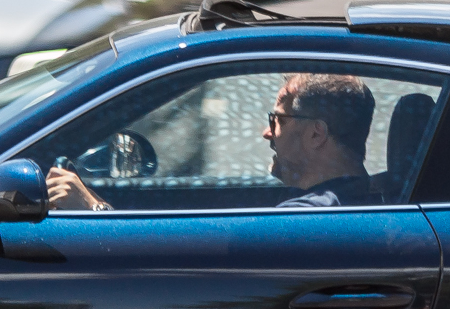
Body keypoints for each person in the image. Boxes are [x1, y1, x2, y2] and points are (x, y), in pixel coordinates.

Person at [46, 71, 380, 211]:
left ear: (316, 134)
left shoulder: (309, 219)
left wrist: (93, 208)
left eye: (276, 120)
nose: (267, 133)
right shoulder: (354, 199)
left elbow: (187, 272)